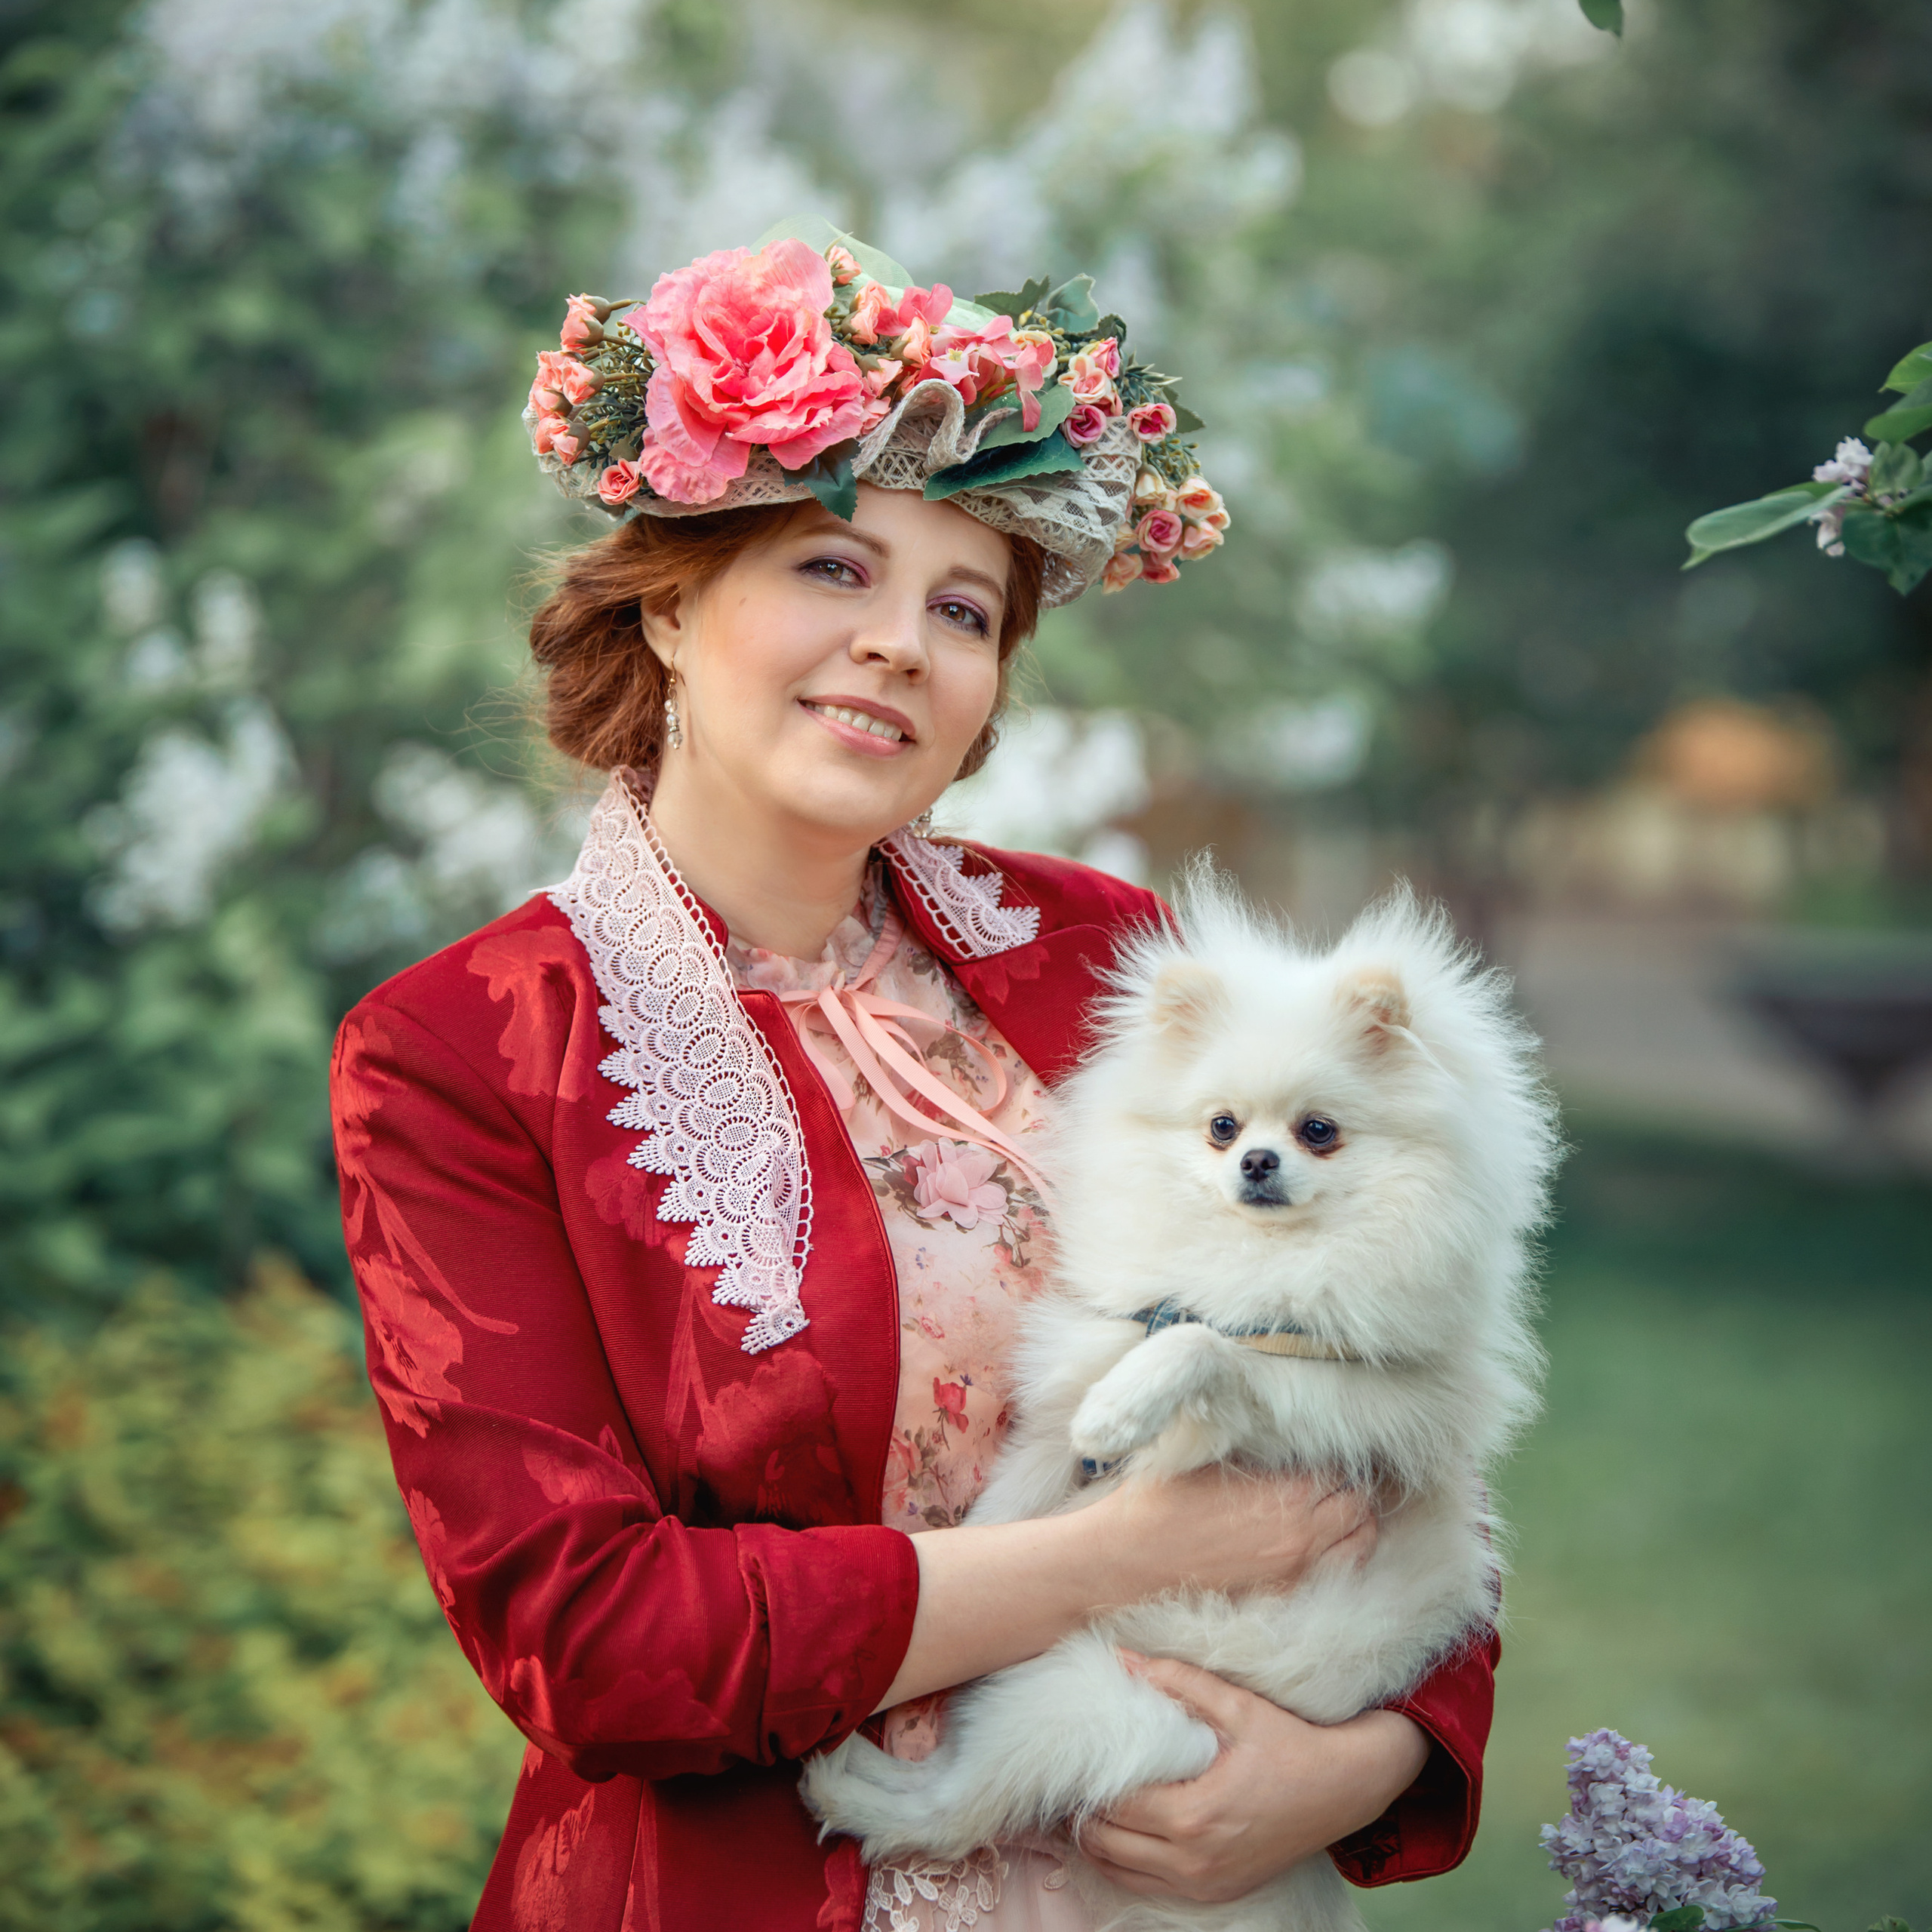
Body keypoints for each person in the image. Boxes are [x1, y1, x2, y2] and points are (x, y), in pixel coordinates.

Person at [330, 230, 1499, 1932]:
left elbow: (1413, 1364)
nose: (896, 643)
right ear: (667, 596)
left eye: (960, 610)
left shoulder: (1114, 961)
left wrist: (1374, 1758)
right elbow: (587, 1635)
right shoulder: (468, 1049)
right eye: (830, 569)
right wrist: (1124, 1556)